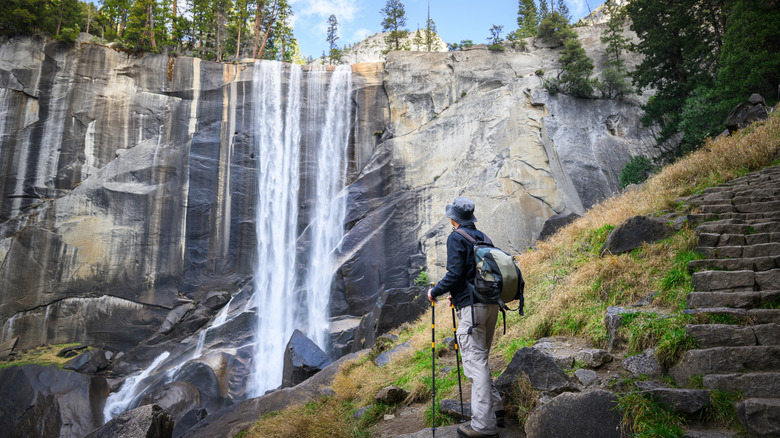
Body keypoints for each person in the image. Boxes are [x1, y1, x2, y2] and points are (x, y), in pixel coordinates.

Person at [427, 196, 504, 438]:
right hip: (491, 306)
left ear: (453, 219)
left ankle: (483, 426)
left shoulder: (456, 237)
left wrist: (434, 291)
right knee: (481, 357)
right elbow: (473, 276)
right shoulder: (483, 237)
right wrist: (458, 295)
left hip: (473, 310)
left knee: (475, 362)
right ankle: (497, 410)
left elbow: (455, 274)